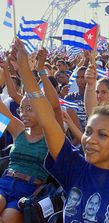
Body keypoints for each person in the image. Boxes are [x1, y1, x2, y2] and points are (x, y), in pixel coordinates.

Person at [11, 39, 109, 223]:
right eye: (88, 131)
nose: (90, 140)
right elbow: (47, 120)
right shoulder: (76, 168)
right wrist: (24, 70)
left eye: (102, 134)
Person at [0, 48, 62, 223]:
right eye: (22, 109)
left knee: (6, 220)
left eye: (30, 109)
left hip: (29, 190)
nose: (24, 114)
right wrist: (5, 71)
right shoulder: (18, 129)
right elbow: (1, 110)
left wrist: (41, 70)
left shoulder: (52, 133)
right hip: (5, 182)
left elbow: (55, 104)